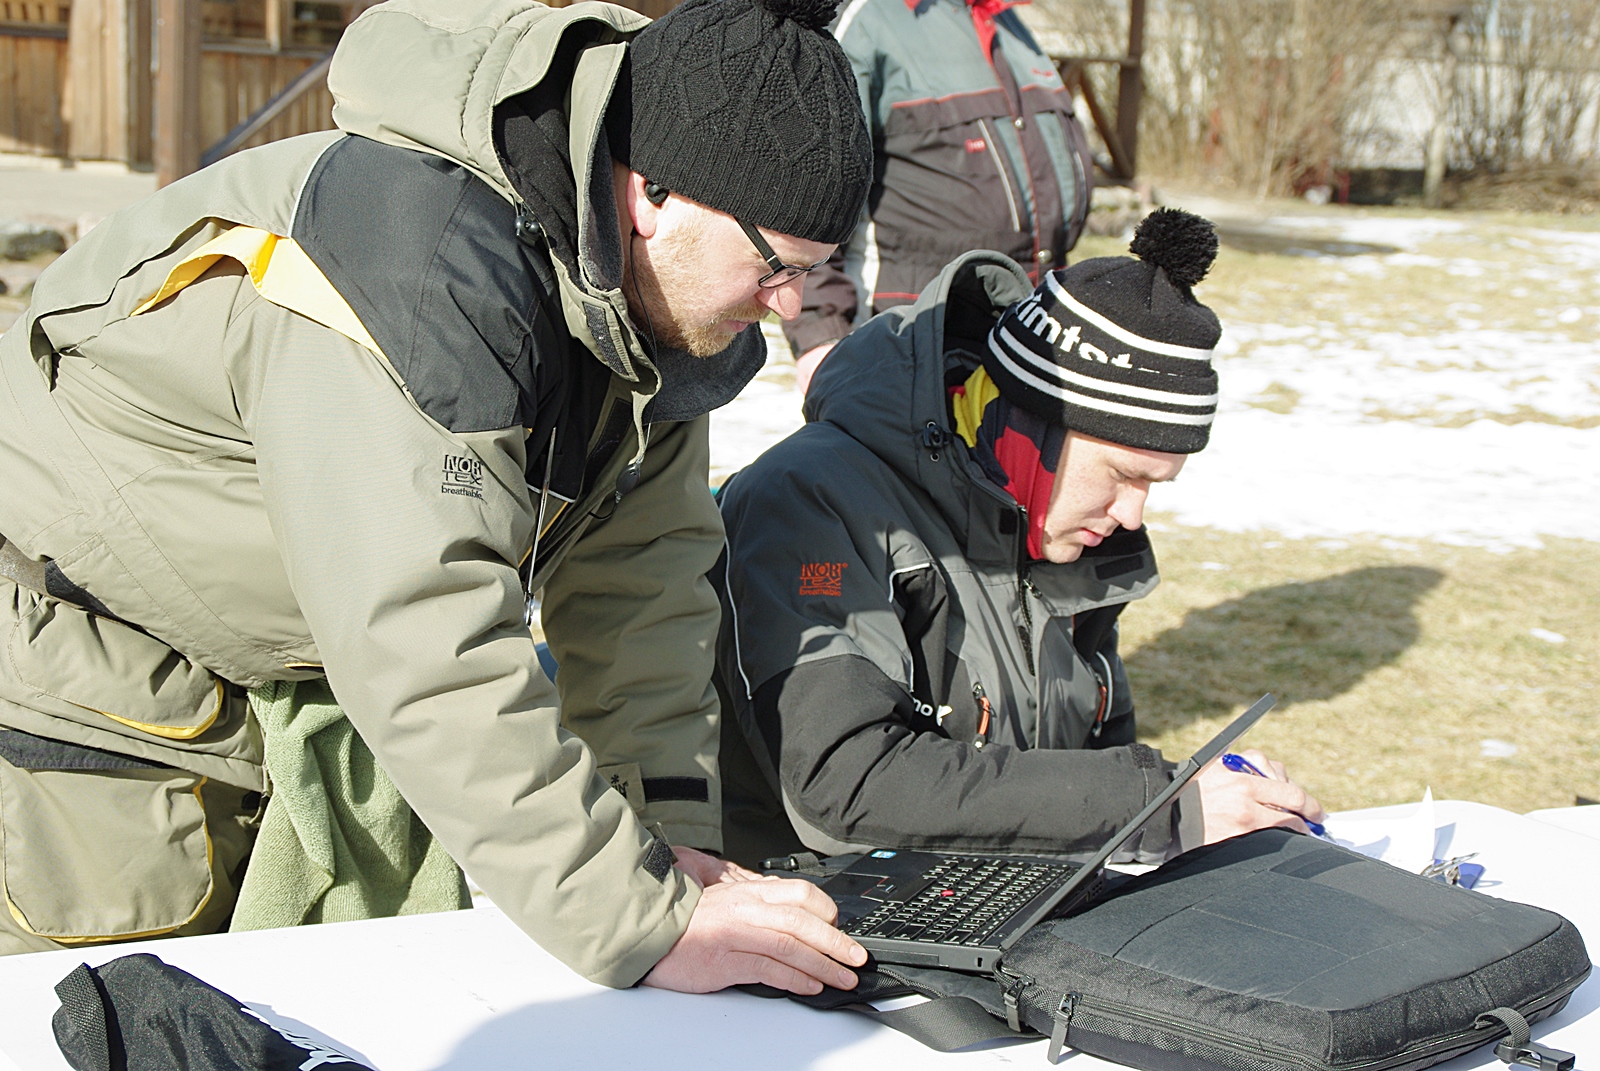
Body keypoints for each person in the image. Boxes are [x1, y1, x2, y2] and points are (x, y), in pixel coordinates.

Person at [0, 0, 876, 996]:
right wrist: (636, 917)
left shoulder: (661, 310)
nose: (790, 305)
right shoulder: (413, 264)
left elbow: (642, 596)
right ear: (652, 195)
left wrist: (669, 854)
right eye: (776, 266)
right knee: (104, 1014)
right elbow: (423, 628)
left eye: (816, 272)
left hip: (303, 659)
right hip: (95, 659)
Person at [713, 209, 1324, 867]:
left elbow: (1085, 768)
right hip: (791, 900)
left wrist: (1207, 798)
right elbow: (844, 785)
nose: (1133, 514)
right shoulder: (809, 502)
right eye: (1123, 474)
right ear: (1032, 429)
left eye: (1156, 484)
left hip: (981, 897)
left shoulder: (1065, 531)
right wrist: (1159, 806)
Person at [784, 0, 1096, 391]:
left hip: (1023, 338)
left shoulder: (1005, 19)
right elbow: (808, 186)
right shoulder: (868, 19)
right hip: (904, 346)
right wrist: (818, 334)